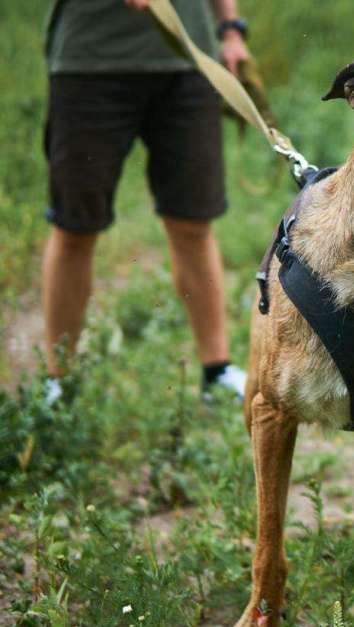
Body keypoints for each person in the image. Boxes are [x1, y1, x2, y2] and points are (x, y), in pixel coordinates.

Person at [42, 0, 250, 402]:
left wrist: (230, 29)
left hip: (187, 60)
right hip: (89, 64)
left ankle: (216, 371)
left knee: (194, 222)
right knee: (74, 226)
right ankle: (58, 381)